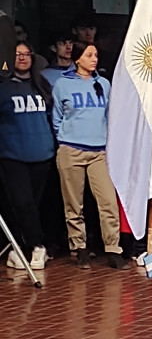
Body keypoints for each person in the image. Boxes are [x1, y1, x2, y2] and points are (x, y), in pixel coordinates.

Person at [52, 41, 127, 269]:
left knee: (107, 203)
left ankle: (113, 249)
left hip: (99, 152)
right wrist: (65, 138)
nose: (94, 59)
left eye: (96, 55)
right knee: (74, 204)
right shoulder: (62, 84)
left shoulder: (103, 83)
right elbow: (56, 117)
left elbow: (110, 116)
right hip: (71, 149)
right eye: (89, 55)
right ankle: (79, 248)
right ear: (77, 59)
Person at [0, 42, 56, 270]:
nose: (22, 58)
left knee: (34, 205)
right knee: (21, 203)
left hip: (42, 154)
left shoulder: (41, 84)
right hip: (13, 155)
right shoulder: (2, 87)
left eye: (26, 54)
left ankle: (18, 249)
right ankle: (37, 246)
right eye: (17, 54)